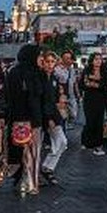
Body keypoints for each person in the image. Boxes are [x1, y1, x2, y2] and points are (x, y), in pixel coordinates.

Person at [1, 44, 43, 197]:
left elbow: (7, 96)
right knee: (32, 152)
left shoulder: (14, 72)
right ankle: (30, 183)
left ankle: (25, 181)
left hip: (18, 118)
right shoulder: (33, 74)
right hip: (31, 119)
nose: (41, 59)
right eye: (39, 56)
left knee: (23, 151)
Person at [39, 51, 67, 185]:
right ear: (42, 62)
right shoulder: (40, 78)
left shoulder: (54, 78)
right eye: (48, 61)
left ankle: (47, 167)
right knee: (38, 146)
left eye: (52, 61)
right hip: (43, 116)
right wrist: (49, 118)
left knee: (62, 142)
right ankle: (39, 171)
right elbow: (42, 100)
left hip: (54, 114)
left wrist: (61, 101)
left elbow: (55, 98)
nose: (50, 64)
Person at [80, 52, 107, 155]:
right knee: (89, 121)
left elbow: (106, 86)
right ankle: (86, 142)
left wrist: (93, 84)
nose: (98, 61)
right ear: (92, 60)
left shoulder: (104, 71)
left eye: (100, 59)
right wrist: (97, 84)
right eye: (96, 59)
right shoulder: (86, 70)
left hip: (101, 99)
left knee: (99, 122)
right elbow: (83, 84)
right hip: (89, 99)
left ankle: (98, 145)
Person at [54, 50, 80, 129]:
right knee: (62, 116)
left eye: (69, 58)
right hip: (62, 97)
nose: (68, 60)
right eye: (66, 58)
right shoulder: (57, 69)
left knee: (74, 114)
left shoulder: (72, 70)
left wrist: (78, 94)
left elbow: (74, 82)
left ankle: (67, 122)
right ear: (62, 58)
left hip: (71, 95)